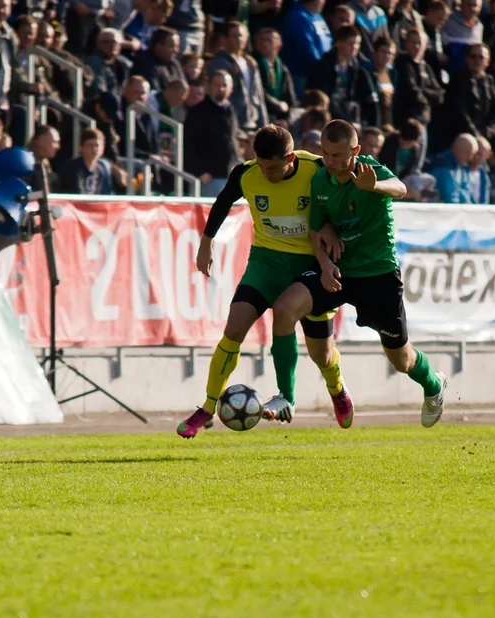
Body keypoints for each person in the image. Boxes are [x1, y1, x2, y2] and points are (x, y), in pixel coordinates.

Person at [177, 125, 353, 438]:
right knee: (234, 328)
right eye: (261, 166)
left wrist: (329, 226)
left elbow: (342, 198)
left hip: (309, 265)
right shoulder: (246, 173)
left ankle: (336, 388)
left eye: (272, 168)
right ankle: (206, 408)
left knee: (322, 355)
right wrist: (206, 243)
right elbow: (222, 203)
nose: (266, 174)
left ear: (290, 158)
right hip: (266, 263)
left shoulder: (316, 169)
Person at [274, 120, 447, 429]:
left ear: (355, 151)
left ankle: (433, 385)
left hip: (378, 275)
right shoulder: (321, 180)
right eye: (326, 154)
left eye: (338, 155)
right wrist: (325, 265)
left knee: (401, 360)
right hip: (338, 271)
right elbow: (315, 229)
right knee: (286, 306)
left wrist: (375, 187)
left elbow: (401, 189)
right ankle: (287, 396)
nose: (330, 161)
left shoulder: (370, 170)